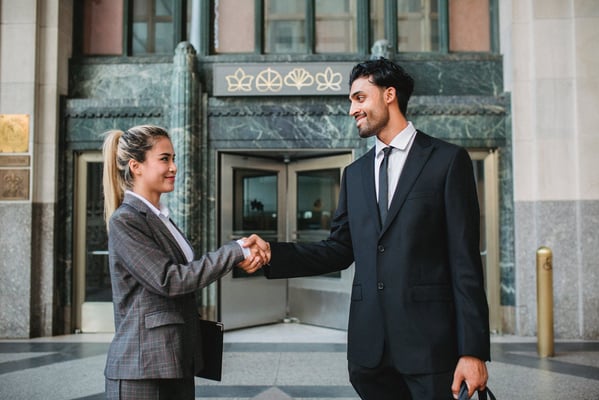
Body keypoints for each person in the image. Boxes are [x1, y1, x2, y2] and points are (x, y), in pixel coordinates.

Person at [259, 58, 491, 399]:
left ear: (389, 95)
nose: (352, 109)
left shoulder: (447, 161)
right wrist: (269, 254)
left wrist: (472, 351)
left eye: (359, 98)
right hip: (370, 356)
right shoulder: (354, 174)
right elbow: (338, 250)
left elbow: (465, 261)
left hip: (429, 349)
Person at [101, 125, 267, 400]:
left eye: (173, 158)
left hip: (174, 358)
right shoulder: (126, 220)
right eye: (164, 158)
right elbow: (169, 279)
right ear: (136, 166)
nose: (174, 167)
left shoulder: (159, 218)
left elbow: (186, 273)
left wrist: (235, 256)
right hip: (141, 368)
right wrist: (235, 251)